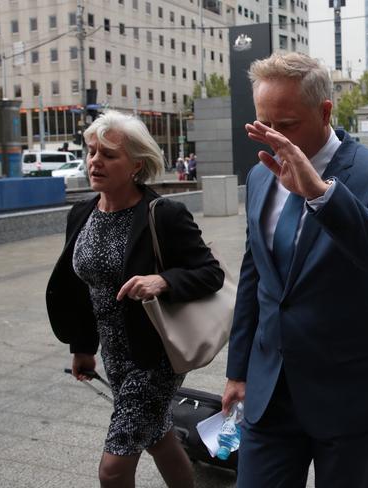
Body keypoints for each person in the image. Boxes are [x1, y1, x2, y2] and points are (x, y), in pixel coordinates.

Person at [221, 52, 368, 487]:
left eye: (287, 125)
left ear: (325, 110)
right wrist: (238, 371)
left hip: (349, 397)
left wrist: (320, 194)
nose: (273, 138)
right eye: (264, 123)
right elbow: (255, 278)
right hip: (269, 395)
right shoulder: (260, 176)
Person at [46, 110, 224, 488]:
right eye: (92, 151)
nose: (95, 161)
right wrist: (82, 347)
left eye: (109, 155)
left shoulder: (164, 214)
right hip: (114, 355)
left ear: (136, 165)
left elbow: (211, 273)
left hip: (155, 357)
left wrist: (163, 280)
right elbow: (83, 289)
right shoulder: (81, 214)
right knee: (158, 436)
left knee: (113, 469)